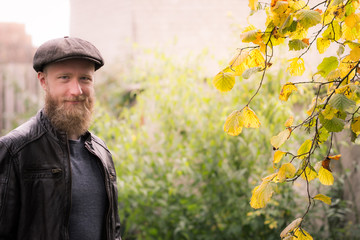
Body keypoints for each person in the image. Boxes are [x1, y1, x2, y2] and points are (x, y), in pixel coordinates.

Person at [0, 37, 121, 240]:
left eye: (85, 78)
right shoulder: (15, 150)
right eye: (64, 77)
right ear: (43, 81)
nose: (76, 90)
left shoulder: (101, 152)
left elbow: (113, 231)